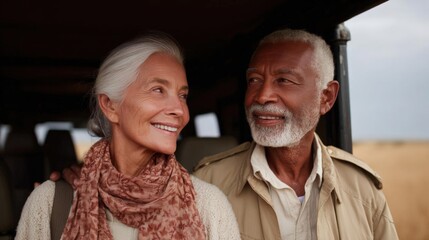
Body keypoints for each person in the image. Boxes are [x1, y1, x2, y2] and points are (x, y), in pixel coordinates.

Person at [15, 32, 240, 240]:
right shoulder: (50, 203)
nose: (180, 110)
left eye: (182, 95)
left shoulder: (209, 205)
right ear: (110, 105)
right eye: (158, 90)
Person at [193, 28, 399, 240]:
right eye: (254, 80)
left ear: (326, 97)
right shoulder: (205, 186)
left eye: (284, 80)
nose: (262, 96)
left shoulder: (362, 189)